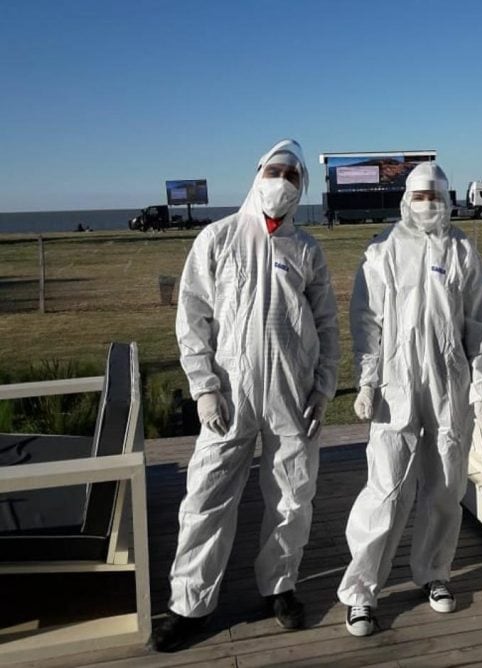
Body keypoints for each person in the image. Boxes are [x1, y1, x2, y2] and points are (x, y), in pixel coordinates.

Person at [151, 139, 340, 652]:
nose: (281, 182)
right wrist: (204, 387)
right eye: (275, 170)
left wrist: (323, 388)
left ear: (301, 188)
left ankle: (279, 587)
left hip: (291, 393)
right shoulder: (218, 239)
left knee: (292, 496)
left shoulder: (306, 249)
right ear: (257, 174)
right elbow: (192, 318)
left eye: (292, 176)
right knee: (207, 496)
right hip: (230, 397)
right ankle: (189, 605)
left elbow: (326, 324)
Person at [338, 162, 482, 637]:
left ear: (447, 198)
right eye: (419, 195)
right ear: (405, 199)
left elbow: (481, 323)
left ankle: (434, 574)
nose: (428, 202)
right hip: (396, 386)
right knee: (385, 490)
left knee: (446, 487)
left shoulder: (463, 251)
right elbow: (366, 321)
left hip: (449, 387)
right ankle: (361, 592)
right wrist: (367, 381)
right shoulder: (383, 250)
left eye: (435, 194)